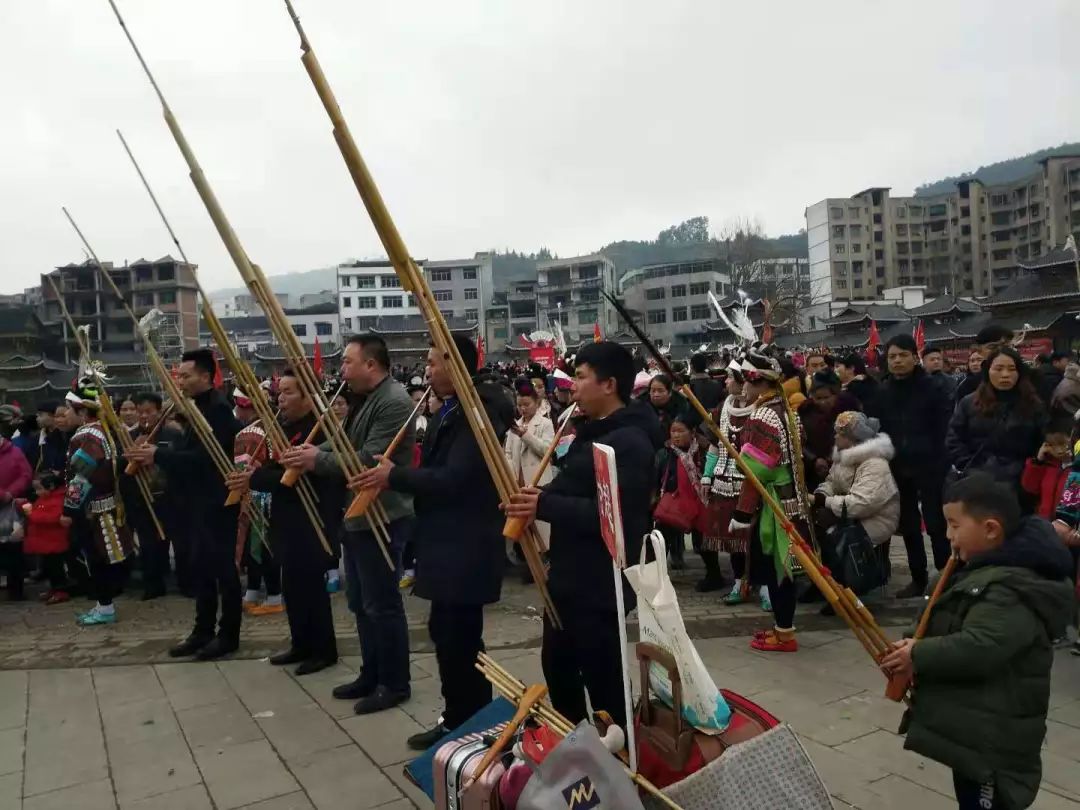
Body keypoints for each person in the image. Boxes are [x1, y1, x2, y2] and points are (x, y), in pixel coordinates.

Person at [353, 335, 511, 745]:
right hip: (445, 541)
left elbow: (454, 479)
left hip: (466, 545)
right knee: (447, 634)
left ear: (455, 365)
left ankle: (470, 722)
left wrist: (395, 476)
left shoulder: (478, 414)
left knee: (459, 639)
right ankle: (459, 717)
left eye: (433, 362)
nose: (427, 369)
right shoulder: (452, 409)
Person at [881, 474, 1073, 810]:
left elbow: (981, 645)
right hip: (976, 730)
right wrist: (915, 643)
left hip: (995, 741)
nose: (947, 535)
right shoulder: (980, 567)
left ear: (990, 530)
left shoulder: (1012, 587)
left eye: (954, 525)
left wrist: (920, 654)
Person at [505, 341, 659, 730]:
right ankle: (576, 751)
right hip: (568, 578)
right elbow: (572, 487)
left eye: (580, 376)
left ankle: (619, 761)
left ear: (608, 385)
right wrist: (536, 498)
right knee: (558, 670)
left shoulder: (630, 442)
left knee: (603, 683)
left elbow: (616, 517)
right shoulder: (589, 432)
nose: (571, 386)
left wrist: (545, 506)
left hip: (599, 586)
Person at [285, 334, 417, 714]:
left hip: (383, 514)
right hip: (357, 515)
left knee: (382, 603)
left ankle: (394, 682)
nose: (340, 368)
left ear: (370, 365)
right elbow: (339, 442)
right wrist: (306, 452)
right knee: (360, 602)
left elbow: (367, 459)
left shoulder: (393, 401)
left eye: (347, 361)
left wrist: (315, 461)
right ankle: (371, 673)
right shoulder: (362, 399)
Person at [127, 349, 241, 660]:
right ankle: (202, 631)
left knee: (223, 572)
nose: (181, 381)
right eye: (178, 376)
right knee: (200, 569)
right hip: (195, 503)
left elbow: (208, 460)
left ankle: (228, 635)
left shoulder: (217, 410)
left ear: (206, 376)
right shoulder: (193, 408)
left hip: (217, 503)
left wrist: (158, 455)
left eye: (186, 376)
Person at [232, 369, 343, 676]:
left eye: (289, 392)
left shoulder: (319, 431)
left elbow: (288, 476)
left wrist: (254, 477)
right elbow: (272, 468)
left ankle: (323, 649)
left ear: (309, 398)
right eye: (279, 392)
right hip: (285, 516)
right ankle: (301, 642)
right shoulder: (280, 426)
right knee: (291, 582)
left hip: (312, 515)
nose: (281, 398)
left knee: (311, 585)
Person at [729, 352, 811, 652]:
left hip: (774, 504)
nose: (740, 387)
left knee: (779, 569)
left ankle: (785, 632)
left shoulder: (763, 415)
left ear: (756, 381)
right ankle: (782, 626)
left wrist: (741, 511)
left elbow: (756, 471)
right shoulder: (788, 409)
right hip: (794, 498)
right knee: (783, 568)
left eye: (743, 380)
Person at [875, 335, 953, 598]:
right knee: (908, 525)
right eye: (892, 357)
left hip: (930, 465)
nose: (897, 361)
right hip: (898, 467)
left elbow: (944, 428)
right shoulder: (883, 390)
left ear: (914, 355)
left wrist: (941, 458)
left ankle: (944, 579)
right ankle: (918, 578)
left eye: (902, 355)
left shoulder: (933, 388)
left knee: (936, 524)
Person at [64, 381, 134, 625]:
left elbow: (81, 477)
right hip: (107, 502)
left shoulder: (86, 435)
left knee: (97, 559)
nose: (65, 414)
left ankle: (105, 607)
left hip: (95, 507)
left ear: (82, 411)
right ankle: (104, 605)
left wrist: (69, 510)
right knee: (101, 558)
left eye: (69, 409)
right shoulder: (102, 430)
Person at [813, 411, 899, 598]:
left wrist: (826, 502)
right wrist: (822, 494)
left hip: (877, 517)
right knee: (814, 526)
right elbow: (831, 482)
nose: (835, 436)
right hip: (849, 509)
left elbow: (862, 503)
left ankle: (848, 588)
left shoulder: (875, 463)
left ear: (853, 438)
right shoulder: (844, 457)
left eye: (840, 433)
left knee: (839, 536)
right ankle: (824, 583)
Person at [946, 346, 1045, 490]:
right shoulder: (969, 403)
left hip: (1023, 481)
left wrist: (1031, 467)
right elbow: (953, 438)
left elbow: (1042, 441)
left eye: (1011, 369)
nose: (1005, 374)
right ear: (988, 371)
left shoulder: (1033, 404)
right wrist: (970, 467)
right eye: (998, 369)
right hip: (978, 480)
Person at [702, 368, 759, 601]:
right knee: (735, 540)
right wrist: (707, 475)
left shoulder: (762, 410)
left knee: (756, 538)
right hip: (724, 482)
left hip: (754, 482)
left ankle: (763, 586)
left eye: (729, 378)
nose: (725, 381)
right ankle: (738, 583)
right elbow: (715, 447)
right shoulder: (721, 410)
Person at [232, 387, 283, 617]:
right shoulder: (275, 427)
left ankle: (273, 596)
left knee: (260, 548)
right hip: (274, 496)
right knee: (261, 548)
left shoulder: (247, 434)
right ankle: (253, 593)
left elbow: (242, 469)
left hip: (256, 497)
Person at [504, 379, 556, 555]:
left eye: (526, 404)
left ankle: (542, 558)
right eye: (519, 405)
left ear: (537, 403)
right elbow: (508, 453)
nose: (523, 409)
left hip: (538, 479)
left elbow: (547, 450)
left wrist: (525, 435)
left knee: (540, 526)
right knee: (522, 526)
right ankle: (527, 558)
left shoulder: (545, 424)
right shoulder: (514, 425)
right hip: (518, 479)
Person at [654, 416, 705, 572]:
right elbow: (656, 476)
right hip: (673, 502)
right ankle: (657, 571)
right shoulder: (665, 453)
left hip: (699, 502)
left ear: (692, 432)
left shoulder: (702, 451)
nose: (676, 435)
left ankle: (713, 573)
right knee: (662, 537)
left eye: (681, 431)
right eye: (673, 431)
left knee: (705, 542)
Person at [799, 370, 860, 491]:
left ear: (836, 394)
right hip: (813, 473)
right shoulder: (805, 412)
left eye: (826, 397)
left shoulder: (851, 412)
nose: (822, 402)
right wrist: (814, 460)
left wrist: (833, 458)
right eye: (818, 398)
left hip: (845, 472)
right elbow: (798, 440)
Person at [21, 471, 70, 604]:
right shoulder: (45, 498)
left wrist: (31, 515)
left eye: (39, 489)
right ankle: (54, 590)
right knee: (49, 568)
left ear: (51, 486)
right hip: (46, 542)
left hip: (54, 543)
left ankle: (61, 591)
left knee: (56, 569)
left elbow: (52, 517)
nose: (37, 492)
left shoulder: (58, 500)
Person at [1020, 420, 1074, 521]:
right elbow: (1029, 487)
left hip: (1066, 526)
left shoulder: (1075, 469)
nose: (1058, 449)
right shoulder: (1047, 465)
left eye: (1061, 443)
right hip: (1043, 522)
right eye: (1052, 445)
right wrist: (1038, 461)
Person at [954, 325, 1015, 403]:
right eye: (993, 347)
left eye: (1006, 346)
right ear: (979, 351)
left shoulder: (1029, 378)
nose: (1000, 351)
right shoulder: (968, 385)